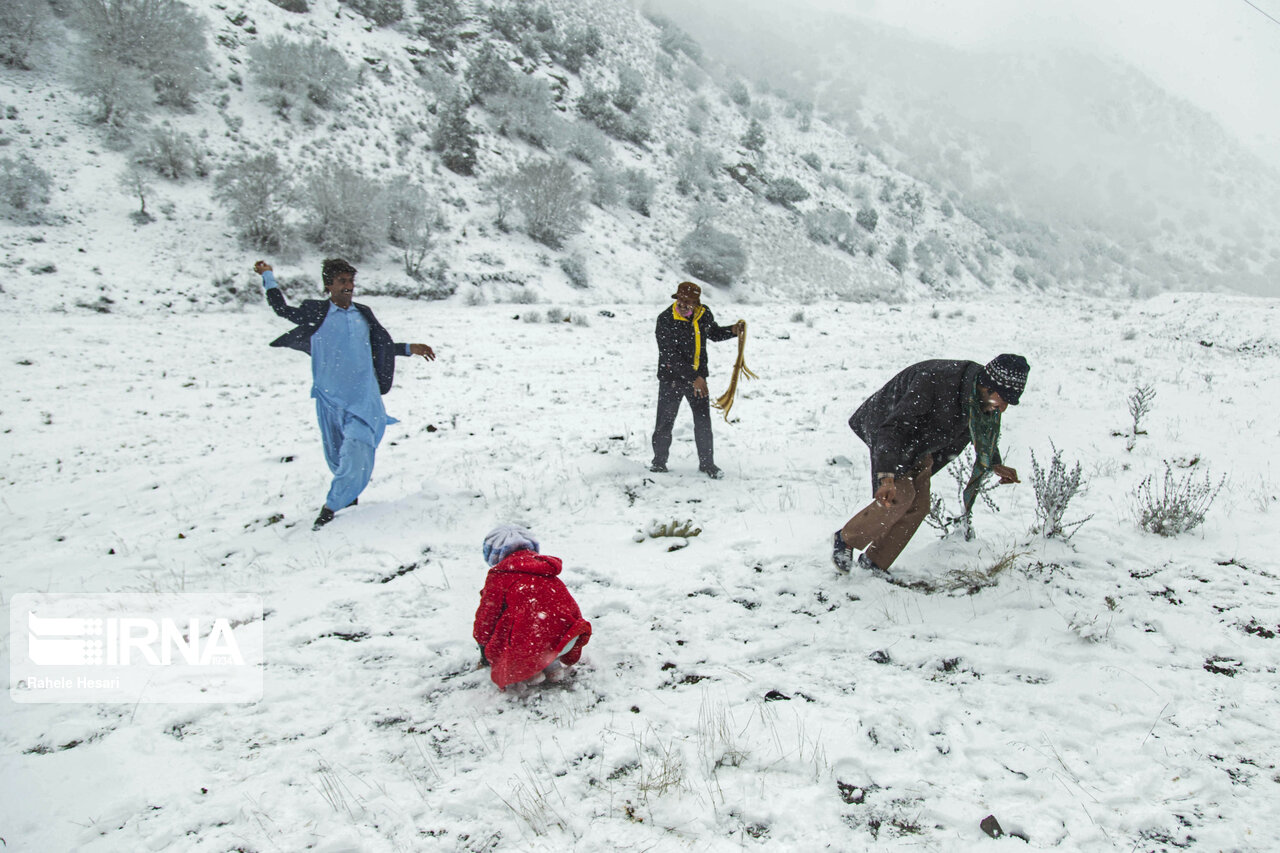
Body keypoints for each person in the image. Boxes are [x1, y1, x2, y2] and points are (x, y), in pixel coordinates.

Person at [254, 259, 436, 530]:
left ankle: (330, 508)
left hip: (364, 399)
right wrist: (268, 275)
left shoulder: (363, 314)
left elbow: (380, 347)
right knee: (338, 458)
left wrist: (410, 348)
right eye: (342, 282)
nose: (349, 287)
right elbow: (281, 309)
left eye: (351, 281)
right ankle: (349, 501)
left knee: (357, 449)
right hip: (330, 399)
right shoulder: (316, 313)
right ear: (329, 285)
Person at [832, 354, 1030, 574]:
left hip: (922, 440)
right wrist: (886, 476)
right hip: (889, 428)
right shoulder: (935, 381)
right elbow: (893, 429)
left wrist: (994, 462)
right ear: (988, 387)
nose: (1003, 409)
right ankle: (846, 539)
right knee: (900, 495)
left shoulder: (981, 399)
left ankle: (874, 563)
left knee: (919, 506)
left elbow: (982, 432)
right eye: (1003, 400)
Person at [473, 525, 592, 691]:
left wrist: (484, 644)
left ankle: (530, 672)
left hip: (532, 647)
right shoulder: (543, 568)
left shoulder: (499, 576)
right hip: (569, 637)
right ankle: (553, 666)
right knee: (542, 625)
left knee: (520, 630)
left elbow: (486, 618)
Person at [650, 281, 745, 479]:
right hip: (672, 380)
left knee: (703, 423)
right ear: (676, 298)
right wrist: (694, 377)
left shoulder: (704, 314)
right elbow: (670, 356)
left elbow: (714, 333)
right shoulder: (665, 320)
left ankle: (707, 464)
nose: (684, 304)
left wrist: (732, 331)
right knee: (664, 423)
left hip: (698, 379)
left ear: (697, 302)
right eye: (681, 300)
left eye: (689, 301)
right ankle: (659, 464)